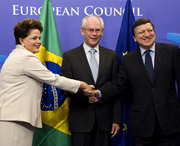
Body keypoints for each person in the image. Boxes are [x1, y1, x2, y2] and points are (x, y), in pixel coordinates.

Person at [0, 18, 92, 146]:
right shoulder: (26, 57)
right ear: (21, 40)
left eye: (39, 38)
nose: (39, 42)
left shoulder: (16, 55)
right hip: (15, 119)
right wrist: (82, 84)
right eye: (34, 38)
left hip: (14, 118)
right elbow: (53, 79)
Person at [95, 18, 180, 146]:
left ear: (154, 33)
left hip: (170, 124)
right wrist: (99, 93)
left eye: (150, 30)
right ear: (134, 38)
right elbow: (118, 84)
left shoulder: (172, 51)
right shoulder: (128, 59)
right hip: (142, 126)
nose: (146, 34)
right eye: (141, 32)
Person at [61, 15, 121, 146]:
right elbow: (65, 88)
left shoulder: (111, 56)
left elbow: (116, 86)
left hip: (105, 122)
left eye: (98, 30)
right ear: (83, 31)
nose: (94, 34)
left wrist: (116, 119)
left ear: (102, 32)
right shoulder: (69, 56)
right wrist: (85, 96)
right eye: (91, 30)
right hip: (80, 122)